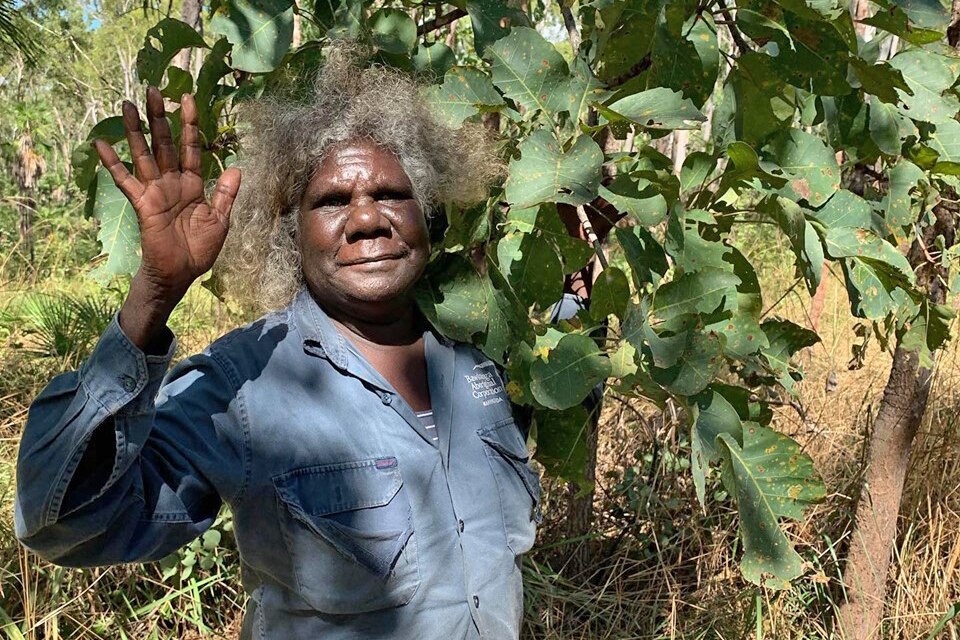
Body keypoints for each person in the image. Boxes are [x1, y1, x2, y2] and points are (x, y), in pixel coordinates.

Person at [14, 53, 615, 639]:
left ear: (427, 211)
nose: (366, 219)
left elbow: (562, 401)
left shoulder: (476, 361)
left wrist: (585, 285)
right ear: (289, 232)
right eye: (331, 201)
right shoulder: (247, 384)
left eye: (390, 194)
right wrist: (153, 294)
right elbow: (64, 521)